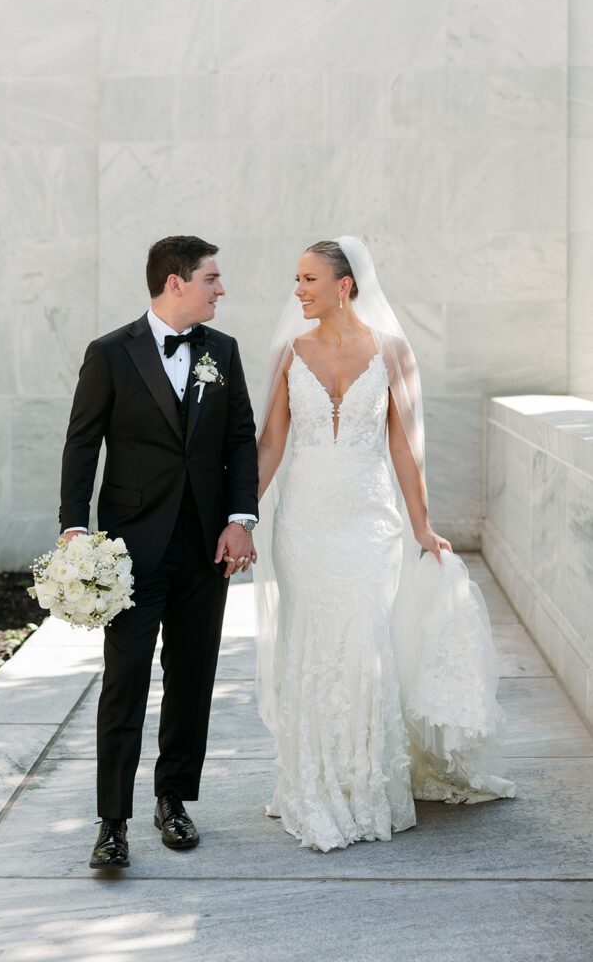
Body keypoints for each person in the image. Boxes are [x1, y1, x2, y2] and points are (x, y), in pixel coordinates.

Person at [254, 236, 514, 853]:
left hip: (370, 523)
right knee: (315, 641)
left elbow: (406, 447)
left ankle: (366, 778)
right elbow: (270, 444)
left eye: (309, 280)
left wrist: (422, 525)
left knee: (367, 640)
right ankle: (316, 779)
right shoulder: (290, 352)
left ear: (345, 284)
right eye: (296, 279)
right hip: (306, 523)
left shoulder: (393, 352)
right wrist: (239, 514)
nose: (297, 291)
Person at [59, 235, 259, 868]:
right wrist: (74, 529)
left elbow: (240, 440)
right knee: (125, 683)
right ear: (176, 282)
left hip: (206, 548)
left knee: (192, 678)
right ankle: (111, 823)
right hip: (129, 551)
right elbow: (82, 443)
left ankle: (173, 801)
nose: (220, 289)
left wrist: (240, 518)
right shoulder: (111, 353)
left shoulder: (221, 352)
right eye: (211, 278)